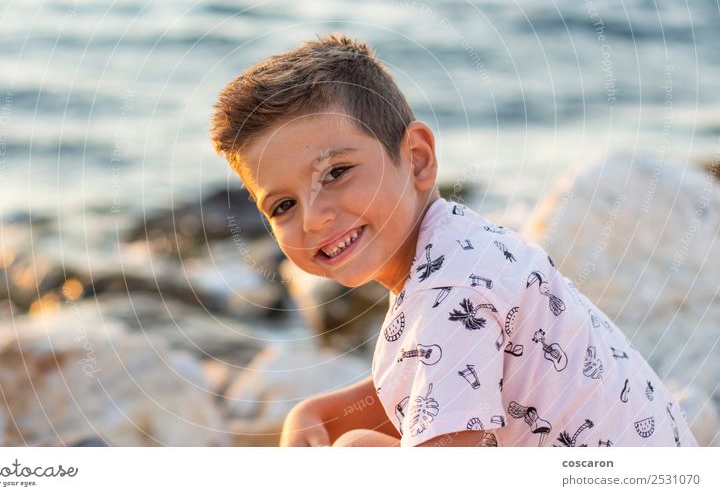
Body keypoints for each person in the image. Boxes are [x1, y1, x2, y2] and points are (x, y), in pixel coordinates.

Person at [209, 33, 698, 447]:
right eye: (283, 206)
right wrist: (322, 411)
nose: (314, 217)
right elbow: (444, 376)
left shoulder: (447, 296)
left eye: (336, 172)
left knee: (357, 454)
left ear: (418, 159)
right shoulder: (464, 245)